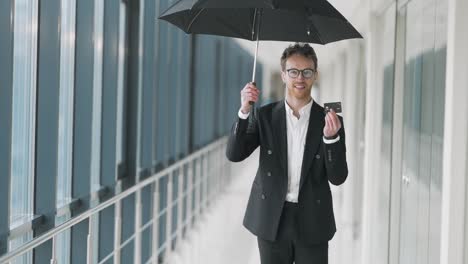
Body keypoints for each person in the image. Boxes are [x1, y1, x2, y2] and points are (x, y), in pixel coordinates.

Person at [226, 43, 348, 264]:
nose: (300, 78)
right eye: (293, 71)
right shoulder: (264, 116)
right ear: (283, 75)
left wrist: (331, 138)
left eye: (306, 72)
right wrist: (244, 110)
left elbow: (338, 177)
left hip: (313, 220)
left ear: (315, 75)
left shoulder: (330, 120)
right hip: (272, 218)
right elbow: (235, 154)